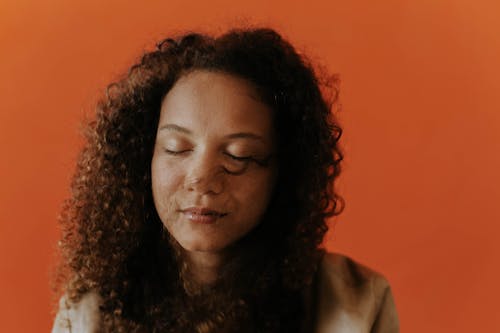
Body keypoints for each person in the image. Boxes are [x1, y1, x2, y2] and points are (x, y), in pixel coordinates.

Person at [51, 27, 399, 332]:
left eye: (239, 156)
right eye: (176, 148)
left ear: (285, 172)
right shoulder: (88, 313)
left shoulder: (355, 304)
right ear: (143, 158)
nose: (202, 179)